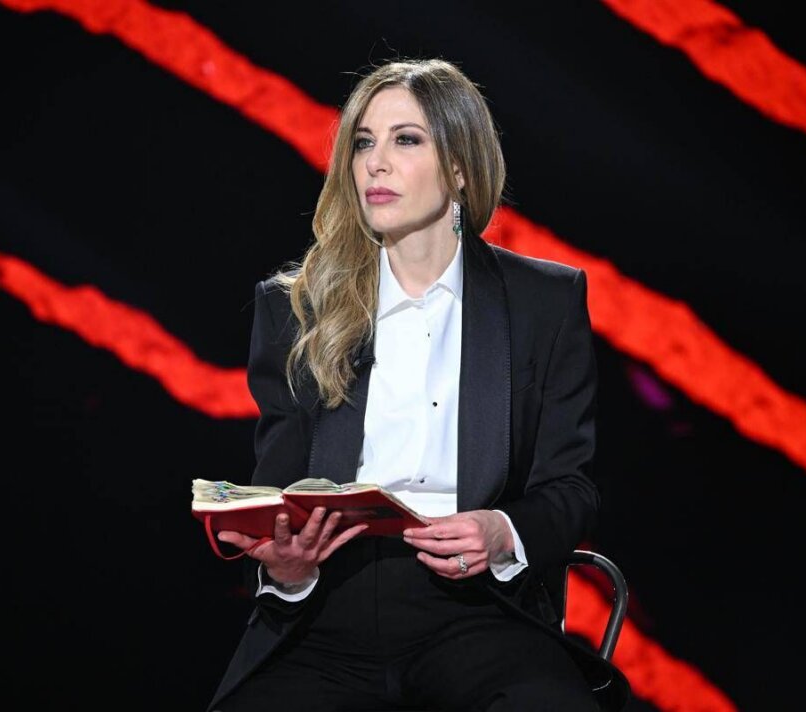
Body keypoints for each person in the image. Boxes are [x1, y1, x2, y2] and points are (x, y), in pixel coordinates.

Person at [209, 58, 630, 711]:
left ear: (459, 167)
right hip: (331, 610)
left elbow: (571, 489)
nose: (375, 163)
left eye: (405, 139)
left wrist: (501, 530)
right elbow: (279, 491)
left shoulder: (543, 302)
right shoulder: (297, 308)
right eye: (363, 143)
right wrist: (287, 570)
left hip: (478, 611)